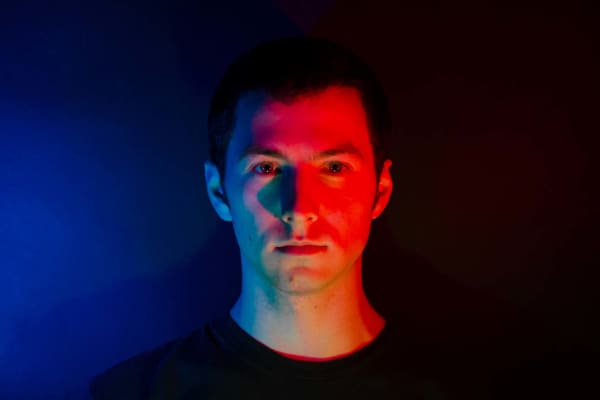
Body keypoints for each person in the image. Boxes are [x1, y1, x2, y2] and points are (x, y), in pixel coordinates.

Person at [89, 36, 487, 399]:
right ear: (219, 191)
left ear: (380, 192)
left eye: (334, 168)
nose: (299, 210)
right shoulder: (132, 394)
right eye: (266, 168)